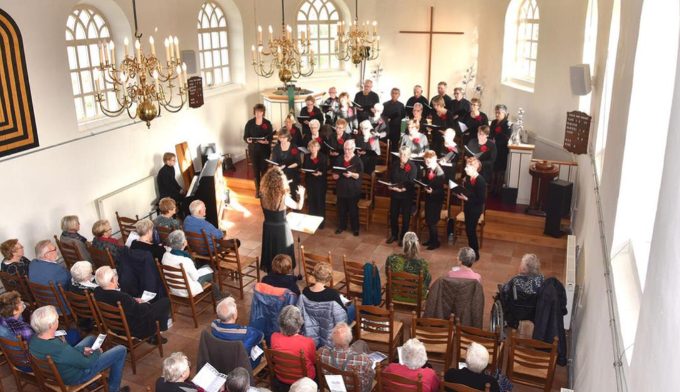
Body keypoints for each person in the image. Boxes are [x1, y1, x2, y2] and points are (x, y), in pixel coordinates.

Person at [28, 305, 129, 392]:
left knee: (90, 338)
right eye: (57, 319)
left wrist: (82, 350)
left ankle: (92, 384)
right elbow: (86, 364)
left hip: (58, 372)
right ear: (52, 325)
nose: (58, 320)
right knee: (121, 349)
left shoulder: (33, 340)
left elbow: (66, 354)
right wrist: (97, 352)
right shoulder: (61, 349)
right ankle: (113, 389)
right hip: (76, 377)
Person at [94, 266, 171, 344]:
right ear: (112, 280)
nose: (116, 277)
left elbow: (126, 305)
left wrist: (133, 301)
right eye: (115, 275)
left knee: (153, 307)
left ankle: (155, 334)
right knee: (165, 301)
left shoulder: (97, 292)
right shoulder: (122, 297)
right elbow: (140, 312)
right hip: (133, 328)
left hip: (114, 326)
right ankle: (156, 333)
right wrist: (146, 304)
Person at [260, 167, 305, 273]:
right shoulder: (283, 197)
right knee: (283, 252)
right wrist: (302, 195)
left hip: (268, 227)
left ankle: (272, 272)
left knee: (271, 250)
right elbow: (299, 206)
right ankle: (283, 273)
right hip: (281, 229)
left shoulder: (263, 195)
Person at [317, 322, 375, 392]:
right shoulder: (363, 358)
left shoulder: (321, 352)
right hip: (358, 390)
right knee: (373, 373)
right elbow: (369, 376)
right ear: (351, 338)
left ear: (332, 338)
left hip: (331, 388)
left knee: (360, 343)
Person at [162, 230, 219, 298]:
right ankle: (218, 296)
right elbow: (195, 277)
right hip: (187, 291)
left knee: (205, 267)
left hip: (174, 289)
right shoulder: (185, 260)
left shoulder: (165, 255)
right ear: (184, 243)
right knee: (208, 272)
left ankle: (212, 292)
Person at [211, 297, 264, 369]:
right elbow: (260, 336)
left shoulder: (214, 325)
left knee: (256, 325)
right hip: (244, 365)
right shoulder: (246, 333)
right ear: (234, 316)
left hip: (223, 360)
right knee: (262, 322)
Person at [270, 305, 316, 384]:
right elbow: (313, 361)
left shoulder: (273, 337)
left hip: (281, 377)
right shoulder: (308, 342)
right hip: (303, 381)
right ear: (300, 323)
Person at [455, 158, 487, 261]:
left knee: (471, 230)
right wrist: (460, 194)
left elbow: (481, 200)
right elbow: (468, 192)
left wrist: (467, 198)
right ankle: (471, 251)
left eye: (467, 167)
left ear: (474, 168)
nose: (465, 168)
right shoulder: (468, 178)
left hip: (475, 209)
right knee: (469, 230)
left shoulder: (480, 181)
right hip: (468, 207)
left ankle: (475, 253)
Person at [385, 232, 431, 300]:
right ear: (417, 246)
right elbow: (424, 280)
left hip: (395, 294)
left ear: (403, 244)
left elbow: (387, 274)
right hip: (415, 297)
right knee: (428, 276)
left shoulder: (391, 258)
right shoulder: (423, 263)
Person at [333, 139, 364, 236]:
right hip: (341, 188)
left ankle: (355, 228)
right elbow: (334, 171)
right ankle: (342, 226)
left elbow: (359, 175)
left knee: (353, 209)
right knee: (342, 209)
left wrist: (351, 174)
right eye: (345, 149)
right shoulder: (339, 159)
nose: (346, 151)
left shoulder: (357, 160)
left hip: (352, 189)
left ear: (353, 149)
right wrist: (335, 175)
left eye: (349, 149)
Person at [387, 146, 417, 246]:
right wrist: (390, 185)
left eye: (404, 154)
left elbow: (411, 182)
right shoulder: (395, 164)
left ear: (408, 155)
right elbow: (391, 177)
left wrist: (402, 189)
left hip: (406, 196)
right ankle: (394, 235)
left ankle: (403, 238)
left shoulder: (412, 167)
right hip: (395, 194)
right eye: (400, 154)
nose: (402, 156)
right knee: (393, 215)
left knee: (406, 217)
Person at [244, 103, 274, 198]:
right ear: (254, 112)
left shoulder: (267, 123)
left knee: (264, 169)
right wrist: (247, 139)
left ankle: (264, 189)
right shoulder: (250, 123)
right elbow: (245, 136)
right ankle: (258, 190)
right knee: (256, 170)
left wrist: (266, 141)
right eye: (257, 111)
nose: (258, 113)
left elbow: (271, 136)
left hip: (264, 150)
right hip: (253, 150)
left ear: (263, 112)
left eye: (260, 111)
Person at [420, 150, 446, 250]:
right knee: (428, 219)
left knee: (432, 221)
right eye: (425, 161)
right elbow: (426, 181)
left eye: (428, 162)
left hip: (436, 200)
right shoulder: (429, 169)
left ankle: (436, 242)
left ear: (435, 160)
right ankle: (431, 239)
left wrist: (432, 192)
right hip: (429, 198)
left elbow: (440, 189)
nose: (426, 164)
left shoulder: (440, 173)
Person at [301, 139, 328, 229]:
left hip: (320, 182)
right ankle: (312, 222)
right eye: (311, 146)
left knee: (320, 202)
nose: (312, 148)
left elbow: (325, 169)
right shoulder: (307, 156)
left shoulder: (323, 157)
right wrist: (303, 170)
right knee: (311, 202)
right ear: (308, 148)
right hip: (310, 181)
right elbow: (304, 167)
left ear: (318, 147)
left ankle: (321, 223)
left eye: (314, 146)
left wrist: (320, 173)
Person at [271, 128, 302, 201]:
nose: (282, 139)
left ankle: (294, 208)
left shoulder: (294, 146)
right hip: (280, 173)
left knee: (292, 194)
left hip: (292, 172)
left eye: (284, 137)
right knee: (280, 195)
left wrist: (287, 167)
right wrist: (278, 168)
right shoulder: (276, 148)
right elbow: (274, 162)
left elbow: (298, 162)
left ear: (288, 137)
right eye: (280, 137)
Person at [488, 104, 512, 195]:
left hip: (501, 150)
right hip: (493, 149)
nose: (497, 115)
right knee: (493, 169)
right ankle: (492, 188)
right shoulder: (494, 122)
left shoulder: (507, 124)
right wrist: (490, 139)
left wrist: (496, 142)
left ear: (504, 114)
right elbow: (490, 134)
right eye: (496, 112)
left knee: (499, 170)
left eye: (499, 113)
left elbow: (507, 138)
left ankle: (498, 190)